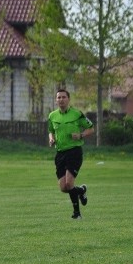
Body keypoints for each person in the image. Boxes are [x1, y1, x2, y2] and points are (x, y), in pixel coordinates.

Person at [48, 89, 95, 219]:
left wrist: (81, 135)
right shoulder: (52, 116)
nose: (61, 99)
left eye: (64, 97)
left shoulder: (76, 114)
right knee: (64, 188)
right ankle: (81, 191)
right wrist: (51, 139)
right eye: (59, 97)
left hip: (74, 151)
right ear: (56, 100)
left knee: (69, 183)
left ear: (68, 99)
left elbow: (91, 128)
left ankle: (77, 214)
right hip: (60, 153)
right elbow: (50, 130)